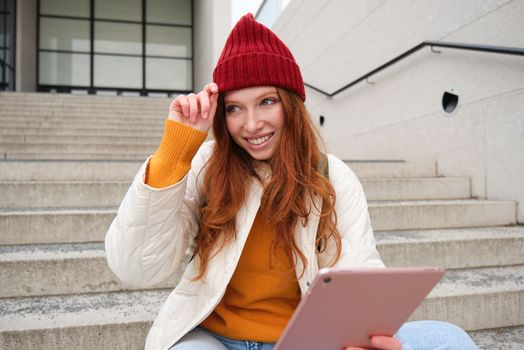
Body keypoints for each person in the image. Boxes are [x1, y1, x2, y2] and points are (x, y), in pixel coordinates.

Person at [105, 13, 478, 350]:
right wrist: (174, 154)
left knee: (449, 340)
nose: (251, 125)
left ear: (292, 104)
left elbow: (356, 272)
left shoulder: (332, 175)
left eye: (267, 101)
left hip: (305, 339)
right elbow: (134, 267)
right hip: (212, 337)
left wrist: (359, 338)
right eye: (235, 108)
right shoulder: (205, 165)